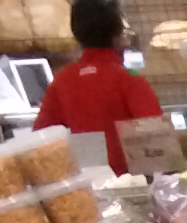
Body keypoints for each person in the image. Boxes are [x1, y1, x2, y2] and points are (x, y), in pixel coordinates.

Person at [34, 0, 163, 177]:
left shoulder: (62, 80)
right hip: (131, 182)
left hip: (85, 183)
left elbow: (41, 138)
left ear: (77, 34)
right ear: (117, 35)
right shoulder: (129, 79)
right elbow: (158, 141)